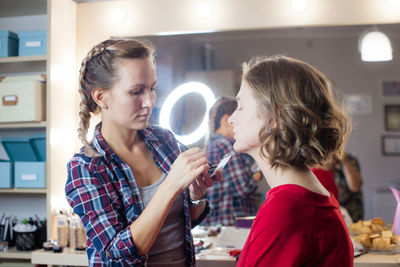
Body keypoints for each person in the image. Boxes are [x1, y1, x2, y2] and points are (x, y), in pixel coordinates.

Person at [65, 39, 220, 266]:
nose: (149, 102)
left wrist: (197, 197)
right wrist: (170, 185)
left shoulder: (164, 140)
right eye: (136, 91)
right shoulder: (86, 167)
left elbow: (181, 224)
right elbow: (117, 251)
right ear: (100, 97)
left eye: (152, 89)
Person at [228, 55, 353, 266]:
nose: (231, 118)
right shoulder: (308, 199)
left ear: (273, 117)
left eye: (240, 106)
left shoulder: (285, 210)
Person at [203, 97, 260, 226]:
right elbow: (243, 189)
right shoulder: (227, 145)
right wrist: (259, 173)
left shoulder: (212, 145)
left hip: (217, 223)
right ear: (226, 120)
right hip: (235, 224)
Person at [327, 153, 363, 222]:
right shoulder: (319, 161)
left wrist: (344, 161)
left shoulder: (350, 160)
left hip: (352, 210)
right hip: (331, 210)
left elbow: (355, 187)